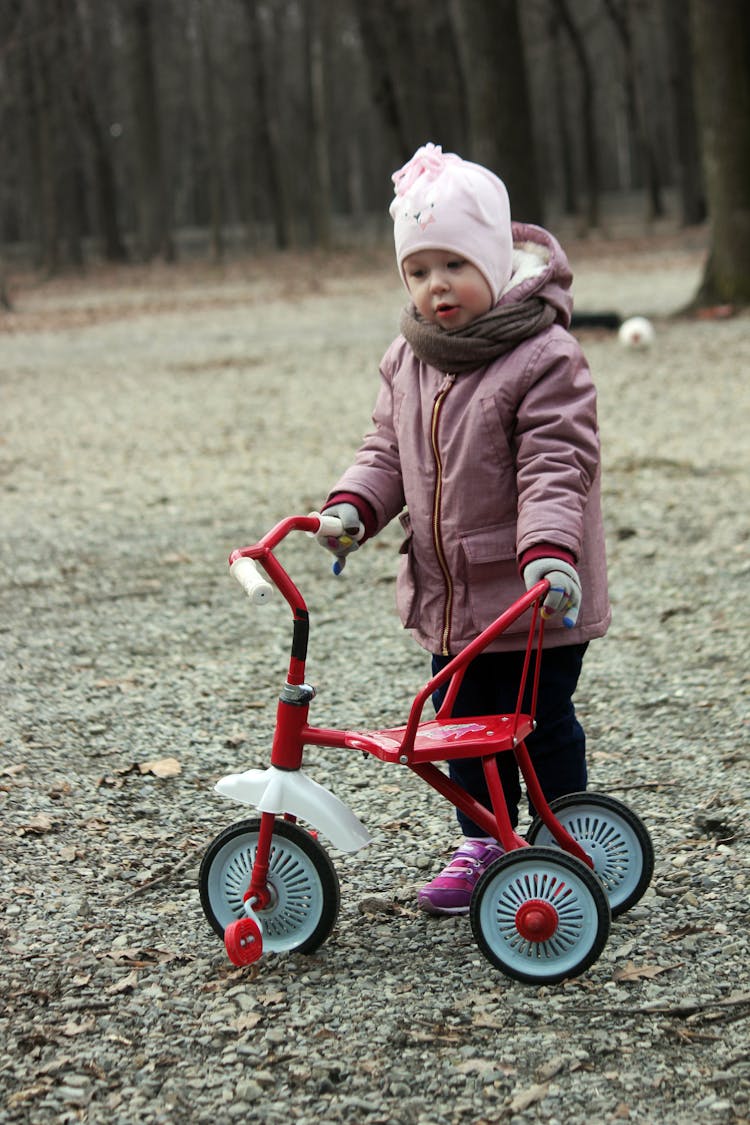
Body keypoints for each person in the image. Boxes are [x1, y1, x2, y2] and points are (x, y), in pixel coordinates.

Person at [316, 142, 611, 916]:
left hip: (532, 597)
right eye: (417, 270)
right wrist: (355, 506)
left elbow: (557, 463)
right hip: (450, 598)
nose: (435, 286)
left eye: (453, 264)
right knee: (462, 728)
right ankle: (481, 840)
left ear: (492, 261)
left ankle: (561, 836)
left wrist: (549, 552)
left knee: (538, 725)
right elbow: (387, 450)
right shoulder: (407, 358)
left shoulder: (544, 355)